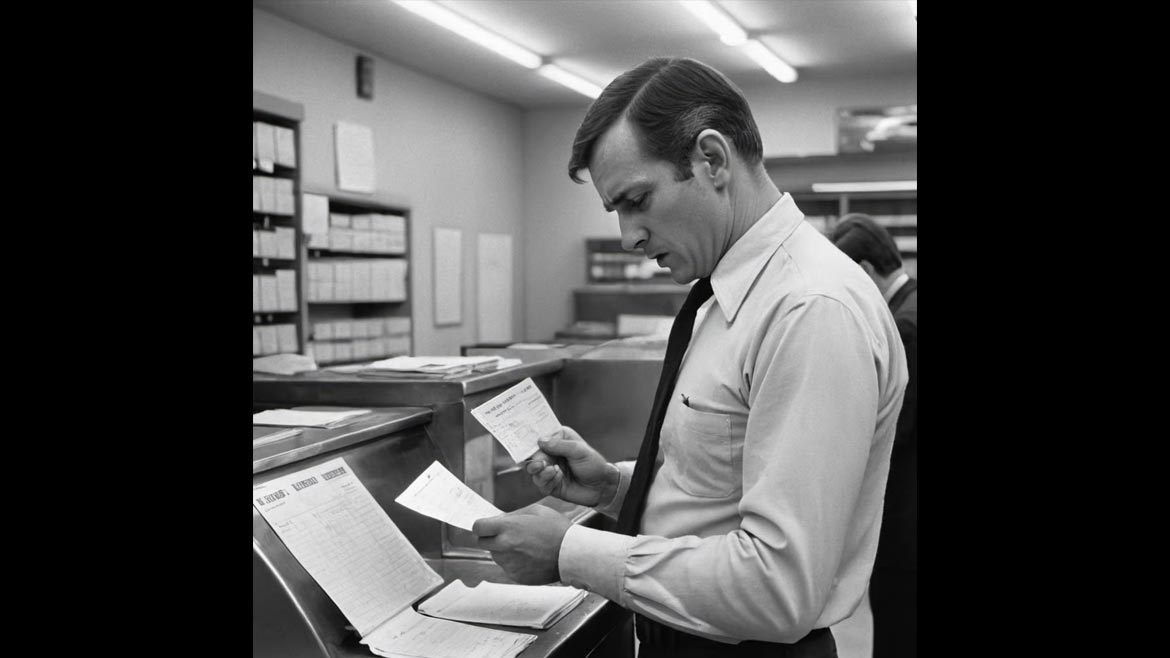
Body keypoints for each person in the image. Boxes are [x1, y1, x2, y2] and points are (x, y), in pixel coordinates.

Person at [472, 57, 908, 658]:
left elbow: (778, 588)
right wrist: (616, 487)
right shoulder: (726, 294)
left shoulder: (809, 309)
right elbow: (723, 489)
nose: (629, 237)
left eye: (637, 200)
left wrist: (568, 551)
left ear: (712, 160)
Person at [828, 213, 917, 658]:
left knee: (899, 628)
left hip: (905, 519)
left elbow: (894, 431)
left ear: (862, 272)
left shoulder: (904, 327)